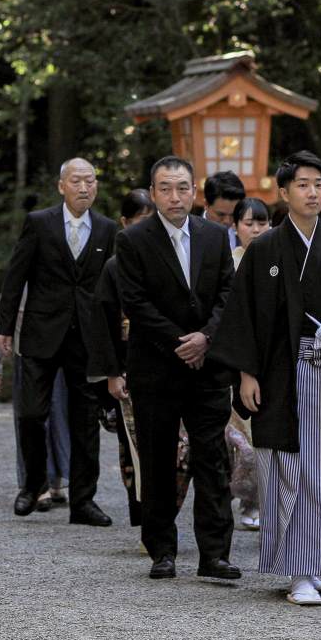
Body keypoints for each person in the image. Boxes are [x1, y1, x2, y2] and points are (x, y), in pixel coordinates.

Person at [211, 152, 321, 607]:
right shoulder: (267, 249)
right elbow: (245, 316)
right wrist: (247, 373)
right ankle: (297, 570)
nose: (312, 193)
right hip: (284, 377)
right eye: (303, 185)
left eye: (318, 185)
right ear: (284, 193)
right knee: (290, 468)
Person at [108, 155, 240, 581]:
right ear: (153, 191)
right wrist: (178, 343)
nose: (175, 196)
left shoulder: (216, 236)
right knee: (159, 460)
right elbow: (135, 302)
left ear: (194, 190)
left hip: (208, 367)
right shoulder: (133, 240)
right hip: (156, 367)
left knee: (212, 460)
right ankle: (161, 549)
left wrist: (206, 338)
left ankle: (215, 554)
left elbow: (227, 292)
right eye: (165, 188)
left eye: (182, 187)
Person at [0, 158, 118, 523]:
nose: (84, 188)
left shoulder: (107, 229)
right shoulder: (39, 223)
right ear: (61, 186)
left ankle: (83, 501)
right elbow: (16, 277)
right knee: (32, 413)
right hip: (40, 332)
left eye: (90, 181)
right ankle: (33, 484)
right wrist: (4, 328)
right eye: (77, 181)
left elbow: (113, 288)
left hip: (87, 336)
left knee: (84, 420)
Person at [85, 188, 156, 528]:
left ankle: (162, 516)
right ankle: (141, 514)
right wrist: (112, 372)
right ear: (125, 224)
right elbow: (103, 322)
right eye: (139, 222)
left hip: (165, 361)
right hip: (128, 364)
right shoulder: (114, 267)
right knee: (133, 446)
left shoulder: (169, 259)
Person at [0, 297, 71, 509]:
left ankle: (58, 480)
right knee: (33, 421)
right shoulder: (23, 274)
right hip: (30, 354)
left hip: (65, 353)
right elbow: (2, 318)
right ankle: (38, 486)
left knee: (62, 421)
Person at [225, 197, 272, 530]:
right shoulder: (226, 262)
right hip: (234, 360)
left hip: (273, 360)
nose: (255, 230)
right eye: (248, 223)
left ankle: (260, 501)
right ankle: (234, 498)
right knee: (238, 440)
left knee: (267, 438)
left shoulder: (280, 260)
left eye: (262, 223)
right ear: (235, 226)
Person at [201, 170, 247, 248]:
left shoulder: (245, 233)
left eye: (233, 214)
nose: (227, 221)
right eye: (221, 214)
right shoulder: (189, 233)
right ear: (206, 204)